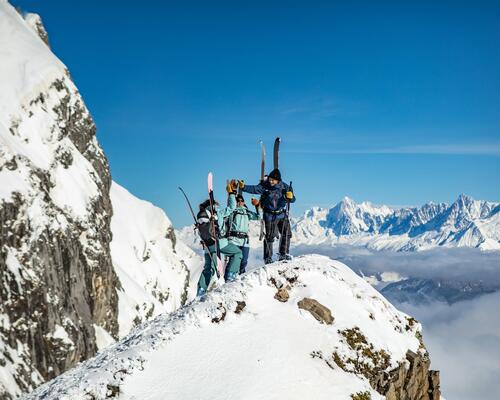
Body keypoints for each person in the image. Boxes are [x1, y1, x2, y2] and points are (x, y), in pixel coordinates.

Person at [196, 182, 243, 297]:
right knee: (237, 253)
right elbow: (232, 207)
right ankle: (230, 275)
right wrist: (231, 193)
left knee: (209, 268)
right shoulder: (217, 211)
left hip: (207, 245)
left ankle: (201, 290)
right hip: (220, 243)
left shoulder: (202, 215)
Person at [238, 169, 295, 264]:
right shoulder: (265, 186)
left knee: (287, 233)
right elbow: (254, 189)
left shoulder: (285, 187)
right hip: (269, 215)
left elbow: (293, 199)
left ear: (278, 180)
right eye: (270, 179)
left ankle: (283, 254)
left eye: (273, 180)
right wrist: (243, 187)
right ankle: (268, 258)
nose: (271, 181)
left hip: (282, 214)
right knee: (269, 237)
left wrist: (290, 197)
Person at [225, 193, 262, 274]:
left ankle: (241, 275)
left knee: (244, 261)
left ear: (244, 202)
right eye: (238, 201)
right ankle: (229, 277)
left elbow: (259, 217)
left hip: (245, 241)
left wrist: (257, 206)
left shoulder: (247, 212)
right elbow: (228, 209)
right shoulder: (232, 211)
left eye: (242, 201)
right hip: (234, 239)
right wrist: (231, 195)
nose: (240, 202)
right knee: (234, 260)